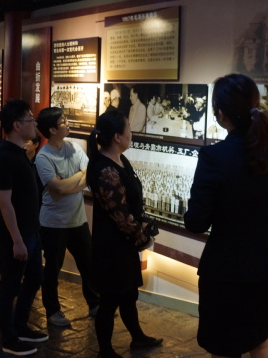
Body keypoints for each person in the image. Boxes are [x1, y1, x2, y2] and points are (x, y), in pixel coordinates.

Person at [184, 73, 268, 358]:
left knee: (224, 348)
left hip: (226, 271)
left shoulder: (214, 157)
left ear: (220, 113)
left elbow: (196, 222)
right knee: (260, 342)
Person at [85, 110, 163, 358]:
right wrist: (143, 237)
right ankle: (105, 351)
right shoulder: (104, 169)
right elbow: (120, 215)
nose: (131, 133)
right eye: (128, 128)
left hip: (125, 244)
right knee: (110, 301)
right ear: (117, 136)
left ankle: (137, 337)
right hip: (113, 247)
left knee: (129, 294)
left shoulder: (120, 160)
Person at [0, 99, 47, 356]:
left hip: (30, 230)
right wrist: (16, 239)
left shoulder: (19, 153)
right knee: (10, 285)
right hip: (16, 234)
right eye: (29, 120)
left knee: (35, 277)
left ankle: (20, 325)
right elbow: (4, 202)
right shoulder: (4, 157)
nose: (34, 124)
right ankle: (9, 337)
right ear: (16, 125)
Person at [35, 107, 99, 327]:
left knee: (89, 264)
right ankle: (53, 311)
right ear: (52, 130)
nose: (67, 123)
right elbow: (58, 188)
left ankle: (95, 304)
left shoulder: (73, 147)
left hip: (77, 219)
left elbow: (89, 175)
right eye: (62, 121)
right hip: (53, 223)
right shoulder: (43, 157)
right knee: (52, 269)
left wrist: (70, 182)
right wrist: (80, 177)